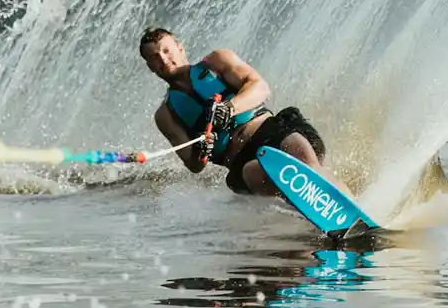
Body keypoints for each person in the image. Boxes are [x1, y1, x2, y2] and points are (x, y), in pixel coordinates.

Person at [139, 27, 326, 196]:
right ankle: (316, 216)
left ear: (180, 48)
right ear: (150, 67)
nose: (163, 59)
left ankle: (345, 207)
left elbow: (261, 88)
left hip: (273, 131)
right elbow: (193, 164)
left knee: (296, 149)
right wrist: (201, 151)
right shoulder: (165, 115)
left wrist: (230, 107)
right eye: (154, 57)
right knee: (254, 172)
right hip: (240, 161)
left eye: (166, 50)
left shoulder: (216, 62)